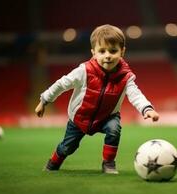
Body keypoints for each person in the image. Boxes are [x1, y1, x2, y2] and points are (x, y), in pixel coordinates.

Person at [35, 24, 159, 174]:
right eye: (102, 51)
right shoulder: (84, 71)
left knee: (114, 129)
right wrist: (44, 100)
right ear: (93, 52)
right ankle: (54, 162)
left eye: (113, 51)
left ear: (122, 52)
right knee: (68, 147)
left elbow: (136, 95)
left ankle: (108, 163)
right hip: (80, 118)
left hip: (107, 117)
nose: (107, 55)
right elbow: (61, 84)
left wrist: (147, 109)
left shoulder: (126, 77)